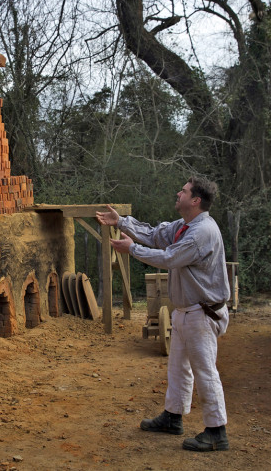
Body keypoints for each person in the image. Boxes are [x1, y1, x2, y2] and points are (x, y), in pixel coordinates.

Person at [96, 176, 230, 452]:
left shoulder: (201, 232)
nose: (177, 193)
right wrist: (121, 221)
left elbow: (169, 257)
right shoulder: (185, 225)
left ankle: (217, 431)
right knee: (178, 368)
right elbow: (156, 234)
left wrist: (131, 249)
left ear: (195, 200)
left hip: (202, 313)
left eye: (183, 191)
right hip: (187, 311)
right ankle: (173, 417)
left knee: (205, 372)